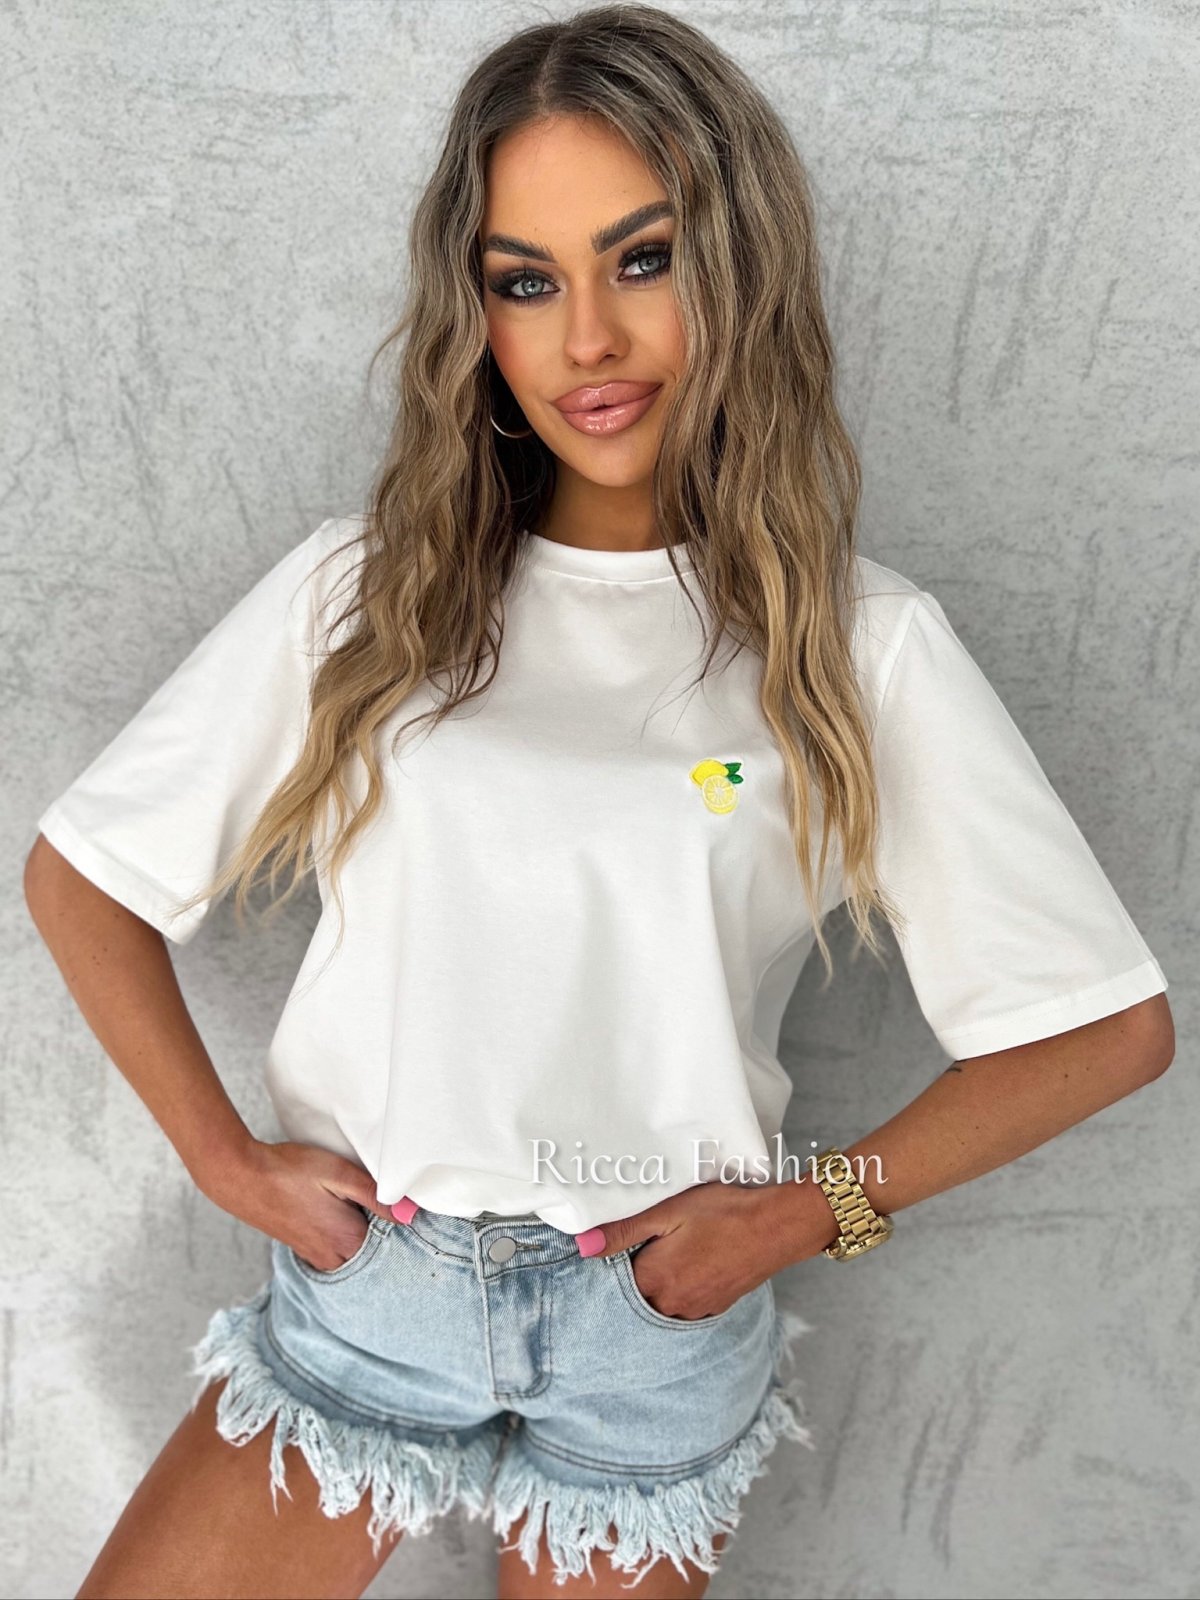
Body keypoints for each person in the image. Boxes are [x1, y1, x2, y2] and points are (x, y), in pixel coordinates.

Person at [25, 6, 1173, 1598]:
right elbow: (83, 877)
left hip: (657, 1321)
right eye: (526, 281)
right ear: (476, 314)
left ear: (739, 268)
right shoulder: (367, 594)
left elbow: (1104, 1029)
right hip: (374, 1286)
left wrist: (806, 1215)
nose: (588, 340)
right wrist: (223, 1159)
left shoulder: (859, 647)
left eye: (644, 260)